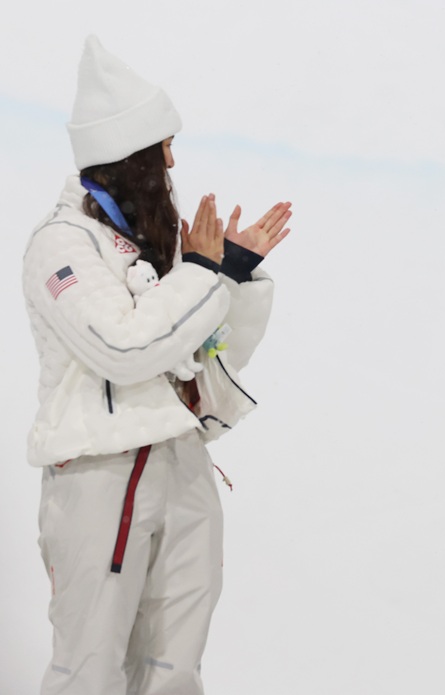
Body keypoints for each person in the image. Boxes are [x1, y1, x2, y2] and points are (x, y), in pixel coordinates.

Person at [22, 36, 292, 695]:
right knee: (90, 671)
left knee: (174, 672)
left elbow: (202, 361)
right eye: (161, 147)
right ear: (126, 157)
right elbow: (124, 347)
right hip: (100, 474)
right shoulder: (62, 245)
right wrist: (201, 271)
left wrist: (229, 272)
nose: (173, 161)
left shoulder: (155, 245)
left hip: (180, 465)